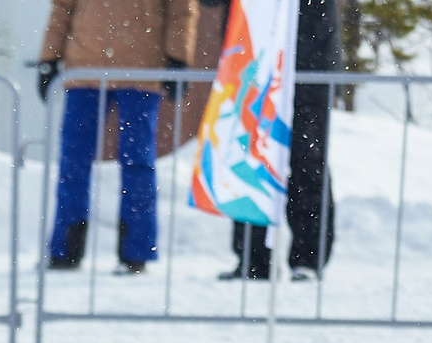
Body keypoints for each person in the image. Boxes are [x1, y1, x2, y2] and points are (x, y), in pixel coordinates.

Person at [36, 0, 200, 274]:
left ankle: (136, 252)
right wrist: (49, 58)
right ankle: (65, 248)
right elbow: (63, 6)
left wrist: (178, 58)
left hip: (141, 68)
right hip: (84, 67)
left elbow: (182, 8)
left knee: (137, 161)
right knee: (73, 160)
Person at [200, 0, 340, 279]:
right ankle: (252, 258)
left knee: (307, 161)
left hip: (309, 65)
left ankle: (308, 260)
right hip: (254, 63)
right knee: (248, 156)